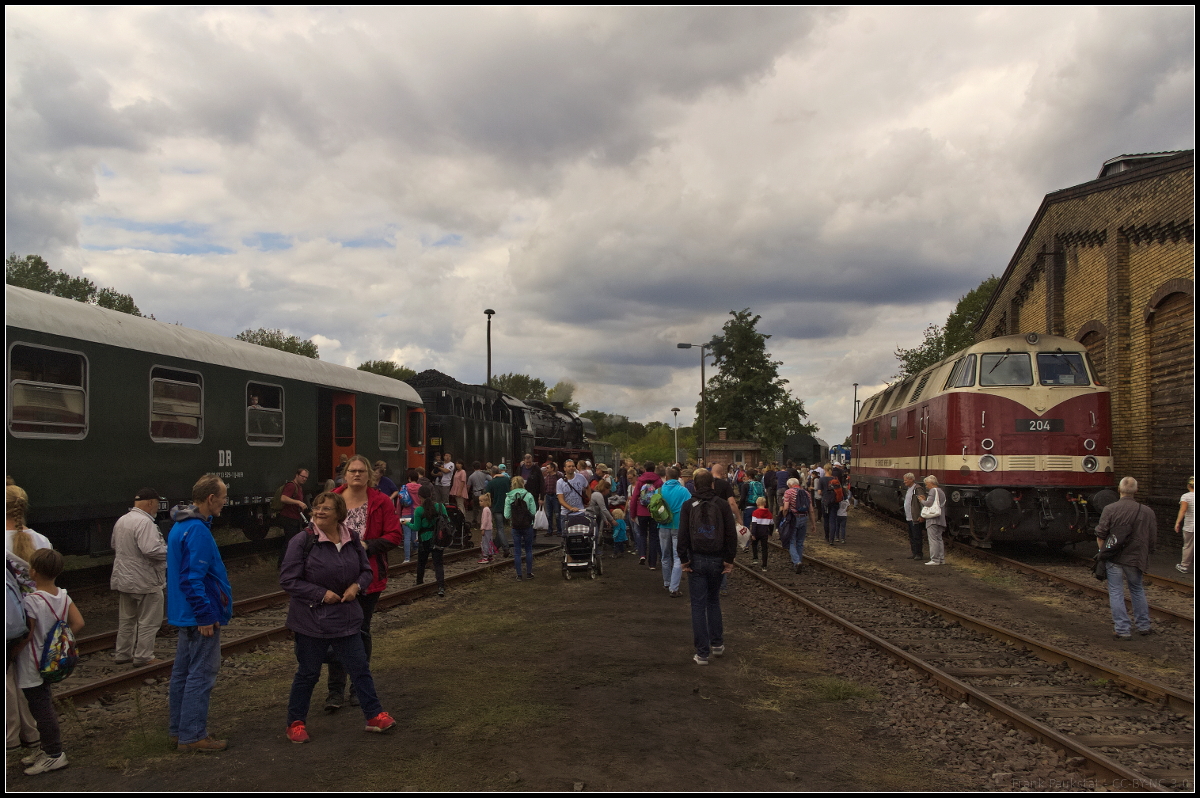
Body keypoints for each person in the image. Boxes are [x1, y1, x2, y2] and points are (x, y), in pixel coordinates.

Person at [279, 491, 396, 743]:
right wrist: (321, 594)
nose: (319, 511)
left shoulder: (352, 538)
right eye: (317, 507)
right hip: (311, 622)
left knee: (360, 668)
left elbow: (366, 570)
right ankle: (295, 723)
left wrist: (357, 587)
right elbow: (288, 580)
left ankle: (374, 715)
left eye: (326, 508)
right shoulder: (302, 541)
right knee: (308, 673)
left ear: (339, 514)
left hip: (346, 618)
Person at [327, 455, 403, 711]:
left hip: (368, 578)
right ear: (345, 475)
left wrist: (368, 545)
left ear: (368, 475)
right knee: (336, 633)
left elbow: (394, 535)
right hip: (334, 578)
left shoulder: (380, 501)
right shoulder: (333, 500)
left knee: (360, 631)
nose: (356, 475)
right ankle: (334, 692)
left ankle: (358, 688)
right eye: (352, 471)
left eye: (361, 471)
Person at [167, 474, 233, 752]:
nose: (225, 502)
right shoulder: (197, 530)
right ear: (210, 498)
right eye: (223, 497)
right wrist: (206, 615)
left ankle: (179, 729)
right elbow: (193, 578)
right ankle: (193, 735)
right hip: (200, 614)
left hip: (185, 611)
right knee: (201, 673)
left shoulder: (179, 526)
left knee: (182, 672)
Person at [15, 548, 84, 775]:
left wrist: (12, 653)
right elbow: (78, 623)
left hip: (32, 663)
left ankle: (55, 754)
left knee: (41, 709)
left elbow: (28, 635)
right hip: (51, 662)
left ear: (32, 572)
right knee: (42, 702)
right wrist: (60, 643)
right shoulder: (63, 596)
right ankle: (46, 748)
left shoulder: (31, 601)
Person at [6, 484, 50, 755]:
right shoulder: (41, 540)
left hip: (10, 619)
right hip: (37, 615)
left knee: (8, 679)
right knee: (31, 678)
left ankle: (10, 735)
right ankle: (32, 732)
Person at [678, 470, 737, 665]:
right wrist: (729, 559)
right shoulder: (721, 505)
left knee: (697, 605)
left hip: (696, 559)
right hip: (717, 559)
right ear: (712, 485)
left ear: (694, 486)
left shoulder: (688, 506)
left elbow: (683, 534)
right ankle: (717, 644)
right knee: (714, 601)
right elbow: (731, 534)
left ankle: (702, 653)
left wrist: (683, 559)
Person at [110, 488, 167, 667]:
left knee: (127, 619)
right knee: (149, 620)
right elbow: (150, 549)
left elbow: (114, 544)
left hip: (124, 577)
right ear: (150, 503)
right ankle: (143, 655)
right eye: (157, 503)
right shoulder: (145, 522)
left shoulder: (122, 520)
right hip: (145, 579)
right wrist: (171, 551)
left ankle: (123, 653)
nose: (157, 507)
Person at [1095, 476, 1158, 639]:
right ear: (1136, 491)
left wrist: (1104, 553)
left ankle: (1122, 629)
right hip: (1136, 558)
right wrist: (1147, 553)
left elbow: (1100, 534)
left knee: (1116, 591)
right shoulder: (1147, 511)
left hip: (1114, 557)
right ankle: (1143, 625)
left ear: (1119, 490)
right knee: (1137, 589)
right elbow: (1152, 539)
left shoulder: (1110, 509)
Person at [658, 467, 692, 598]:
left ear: (666, 477)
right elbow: (690, 506)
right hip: (679, 526)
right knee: (678, 556)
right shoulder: (684, 491)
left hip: (663, 525)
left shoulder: (660, 490)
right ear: (679, 477)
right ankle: (674, 587)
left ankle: (666, 582)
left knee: (665, 556)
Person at [412, 484, 449, 596]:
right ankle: (441, 587)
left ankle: (419, 583)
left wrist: (406, 523)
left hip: (424, 540)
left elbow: (416, 527)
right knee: (438, 564)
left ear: (419, 496)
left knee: (421, 563)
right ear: (431, 494)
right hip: (438, 539)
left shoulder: (419, 510)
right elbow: (447, 520)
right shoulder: (440, 506)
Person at [505, 477, 538, 580]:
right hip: (527, 525)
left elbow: (506, 515)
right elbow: (533, 512)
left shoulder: (509, 497)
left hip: (515, 526)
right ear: (523, 483)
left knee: (517, 551)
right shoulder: (528, 495)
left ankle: (519, 575)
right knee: (528, 549)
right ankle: (529, 573)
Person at [277, 467, 310, 566]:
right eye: (302, 476)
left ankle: (286, 562)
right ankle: (282, 563)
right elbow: (283, 498)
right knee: (290, 541)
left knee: (291, 541)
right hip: (289, 518)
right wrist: (298, 502)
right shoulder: (291, 486)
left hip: (295, 518)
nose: (304, 479)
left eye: (306, 477)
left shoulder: (299, 487)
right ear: (296, 475)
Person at [631, 462, 662, 567]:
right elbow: (662, 496)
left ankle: (642, 554)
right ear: (654, 469)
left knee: (642, 534)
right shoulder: (658, 481)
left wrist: (632, 514)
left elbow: (634, 497)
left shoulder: (640, 481)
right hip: (653, 512)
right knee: (653, 537)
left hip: (641, 511)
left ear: (644, 469)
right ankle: (652, 563)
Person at [781, 477, 811, 574]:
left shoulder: (788, 492)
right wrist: (813, 523)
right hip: (804, 517)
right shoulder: (806, 493)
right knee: (800, 542)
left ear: (790, 485)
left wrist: (785, 518)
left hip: (793, 518)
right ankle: (799, 560)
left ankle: (797, 562)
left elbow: (785, 508)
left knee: (791, 541)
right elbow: (811, 509)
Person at [486, 467, 513, 558]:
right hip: (507, 507)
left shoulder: (491, 483)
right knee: (500, 528)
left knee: (500, 528)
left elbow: (487, 496)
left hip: (497, 507)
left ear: (492, 474)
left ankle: (506, 548)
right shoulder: (506, 480)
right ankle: (495, 547)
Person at [920, 475, 947, 566]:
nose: (926, 486)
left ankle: (934, 559)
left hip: (933, 519)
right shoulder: (941, 491)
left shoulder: (933, 491)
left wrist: (922, 500)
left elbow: (929, 503)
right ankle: (941, 559)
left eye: (927, 484)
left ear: (931, 483)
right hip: (941, 519)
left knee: (933, 540)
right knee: (939, 539)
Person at [399, 468, 422, 564]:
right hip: (418, 513)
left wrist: (398, 514)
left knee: (407, 536)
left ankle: (407, 558)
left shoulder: (404, 487)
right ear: (417, 478)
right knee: (416, 533)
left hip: (405, 514)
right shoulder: (421, 487)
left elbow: (399, 502)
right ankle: (417, 549)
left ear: (409, 478)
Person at [902, 473, 925, 560]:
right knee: (912, 536)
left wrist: (921, 515)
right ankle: (914, 552)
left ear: (911, 479)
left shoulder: (917, 489)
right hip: (909, 516)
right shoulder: (910, 489)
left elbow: (922, 503)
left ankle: (919, 553)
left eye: (906, 480)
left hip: (915, 516)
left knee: (917, 536)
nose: (904, 482)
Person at [1175, 477, 1194, 574]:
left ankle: (1184, 566)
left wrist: (1178, 522)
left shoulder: (1186, 497)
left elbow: (1183, 510)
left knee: (1188, 546)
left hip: (1190, 526)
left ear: (1188, 485)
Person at [750, 496, 773, 572]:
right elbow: (771, 524)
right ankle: (764, 566)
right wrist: (770, 533)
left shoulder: (755, 512)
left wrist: (753, 534)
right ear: (765, 504)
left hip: (757, 532)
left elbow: (754, 524)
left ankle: (755, 558)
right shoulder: (769, 513)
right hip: (764, 533)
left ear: (757, 504)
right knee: (764, 549)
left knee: (754, 544)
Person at [478, 493, 497, 562]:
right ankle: (490, 555)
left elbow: (485, 520)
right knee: (489, 541)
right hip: (489, 528)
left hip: (486, 529)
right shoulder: (488, 509)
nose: (480, 502)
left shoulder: (485, 510)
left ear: (486, 501)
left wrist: (482, 528)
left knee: (485, 542)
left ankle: (485, 556)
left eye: (481, 501)